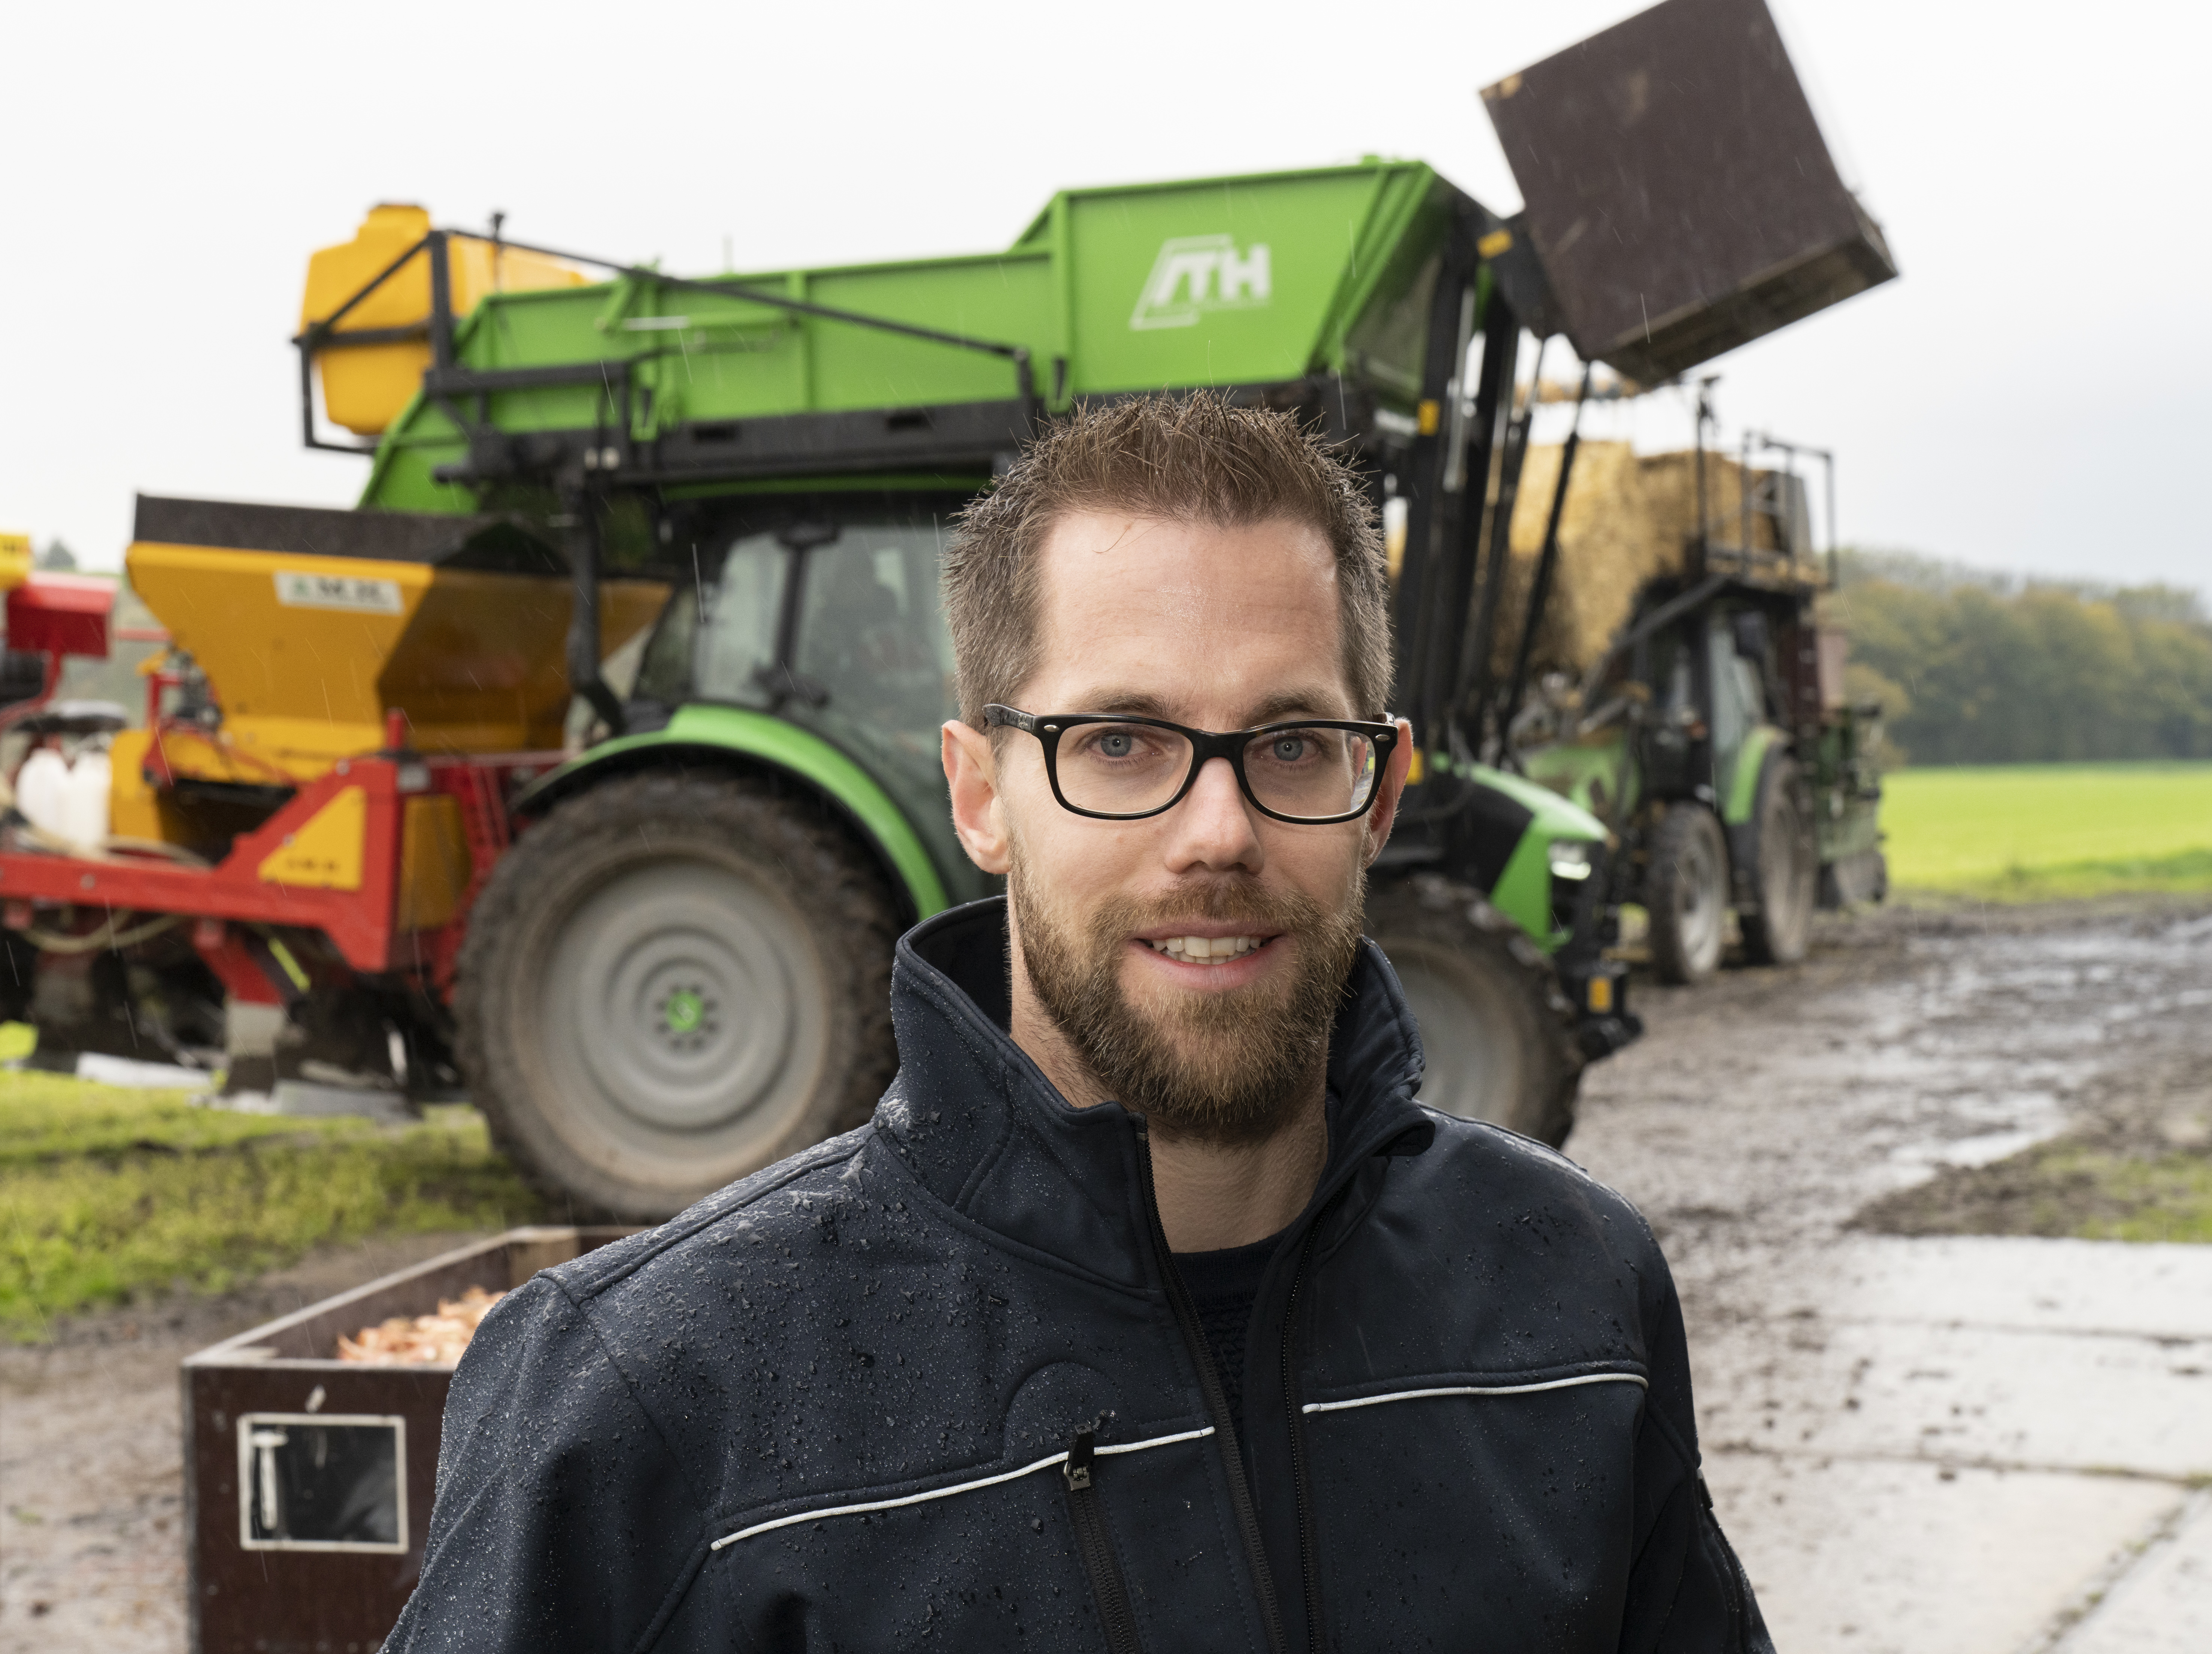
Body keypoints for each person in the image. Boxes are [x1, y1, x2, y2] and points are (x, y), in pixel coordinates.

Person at [387, 393, 1771, 1652]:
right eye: (1120, 744)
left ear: (1382, 790)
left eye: (1290, 744)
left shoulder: (1571, 1296)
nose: (1216, 833)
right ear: (980, 795)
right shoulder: (651, 1401)